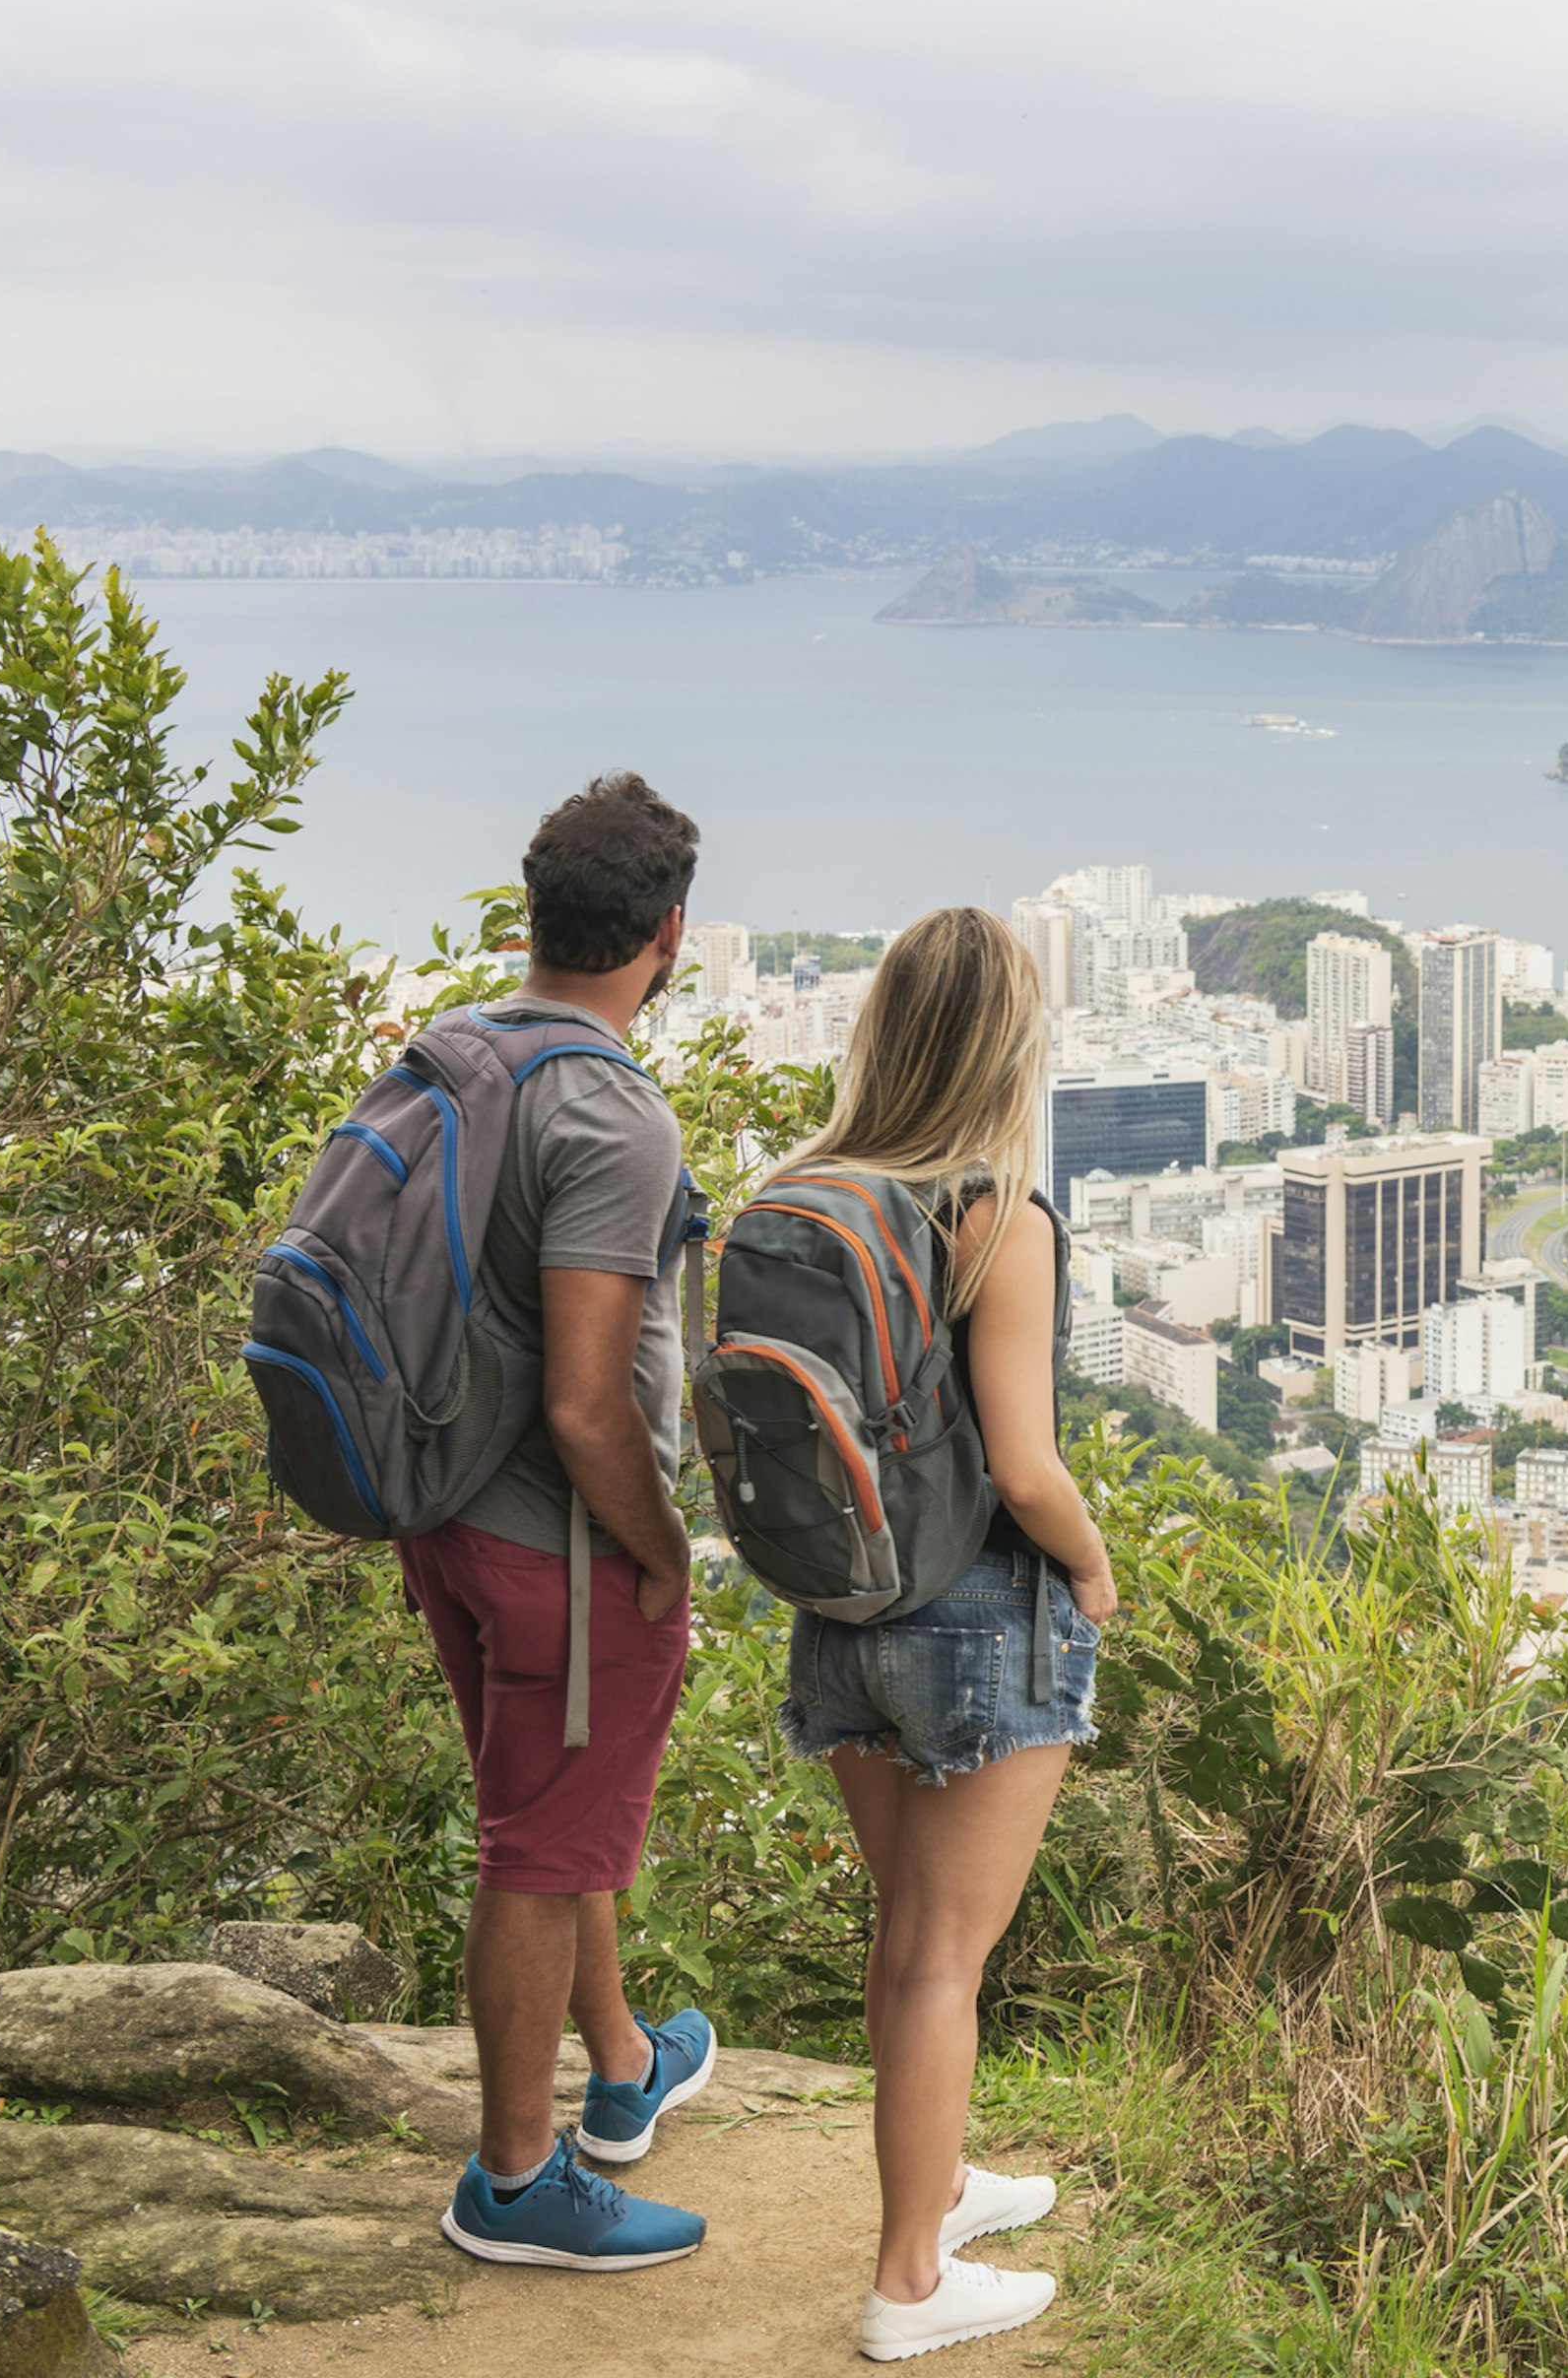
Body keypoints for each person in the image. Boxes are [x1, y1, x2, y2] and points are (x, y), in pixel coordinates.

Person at [765, 906, 1120, 2362]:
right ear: (1007, 1049)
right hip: (976, 1617)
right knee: (941, 1961)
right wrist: (1094, 1573)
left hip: (839, 1610)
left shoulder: (800, 1192)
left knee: (908, 1939)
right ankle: (909, 2282)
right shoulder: (996, 1212)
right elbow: (1025, 1467)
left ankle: (944, 2187)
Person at [418, 774, 724, 2271]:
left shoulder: (460, 1054)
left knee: (558, 1807)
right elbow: (593, 1408)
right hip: (560, 1540)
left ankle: (621, 2068)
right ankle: (517, 2181)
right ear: (669, 934)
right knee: (540, 1849)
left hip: (446, 1509)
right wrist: (661, 1548)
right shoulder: (609, 1109)